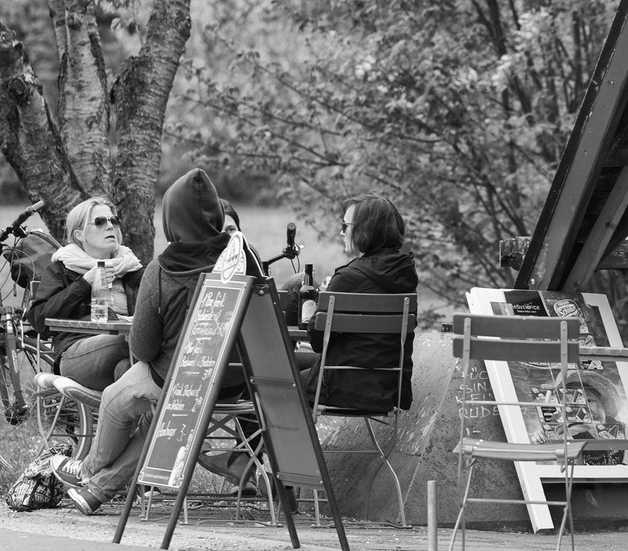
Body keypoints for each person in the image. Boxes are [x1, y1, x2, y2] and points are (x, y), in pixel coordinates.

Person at [51, 169, 260, 514]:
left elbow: (144, 349)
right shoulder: (243, 256)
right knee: (156, 420)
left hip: (177, 381)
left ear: (171, 220)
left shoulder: (162, 269)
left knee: (117, 399)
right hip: (234, 381)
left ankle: (86, 470)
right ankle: (97, 490)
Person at [292, 194, 418, 412]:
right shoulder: (404, 274)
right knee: (290, 361)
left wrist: (330, 293)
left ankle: (273, 446)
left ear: (365, 230)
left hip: (346, 385)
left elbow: (318, 340)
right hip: (390, 386)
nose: (341, 232)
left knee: (272, 378)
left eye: (345, 225)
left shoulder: (349, 278)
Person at [27, 197, 144, 392]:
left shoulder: (131, 268)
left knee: (126, 367)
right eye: (100, 222)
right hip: (76, 353)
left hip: (123, 353)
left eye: (113, 221)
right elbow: (39, 320)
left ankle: (130, 421)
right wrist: (84, 284)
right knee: (134, 338)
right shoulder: (62, 269)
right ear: (79, 234)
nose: (110, 227)